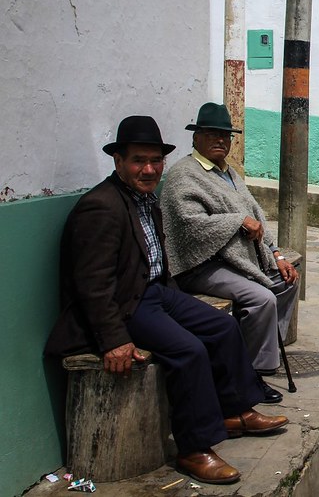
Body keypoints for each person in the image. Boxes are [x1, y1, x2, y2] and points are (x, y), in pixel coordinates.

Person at [45, 115, 288, 485]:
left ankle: (235, 409)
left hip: (157, 292)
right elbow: (91, 285)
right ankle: (194, 448)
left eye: (155, 161)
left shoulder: (144, 199)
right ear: (119, 162)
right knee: (189, 350)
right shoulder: (101, 206)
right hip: (126, 305)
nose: (149, 169)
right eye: (139, 161)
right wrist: (113, 340)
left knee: (222, 326)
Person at [160, 103, 299, 405]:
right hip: (200, 264)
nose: (220, 140)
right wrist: (235, 222)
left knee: (288, 280)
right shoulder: (183, 175)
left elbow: (256, 214)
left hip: (238, 258)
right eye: (211, 134)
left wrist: (277, 255)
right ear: (196, 137)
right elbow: (188, 225)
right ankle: (250, 376)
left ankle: (258, 351)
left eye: (225, 135)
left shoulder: (229, 173)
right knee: (261, 298)